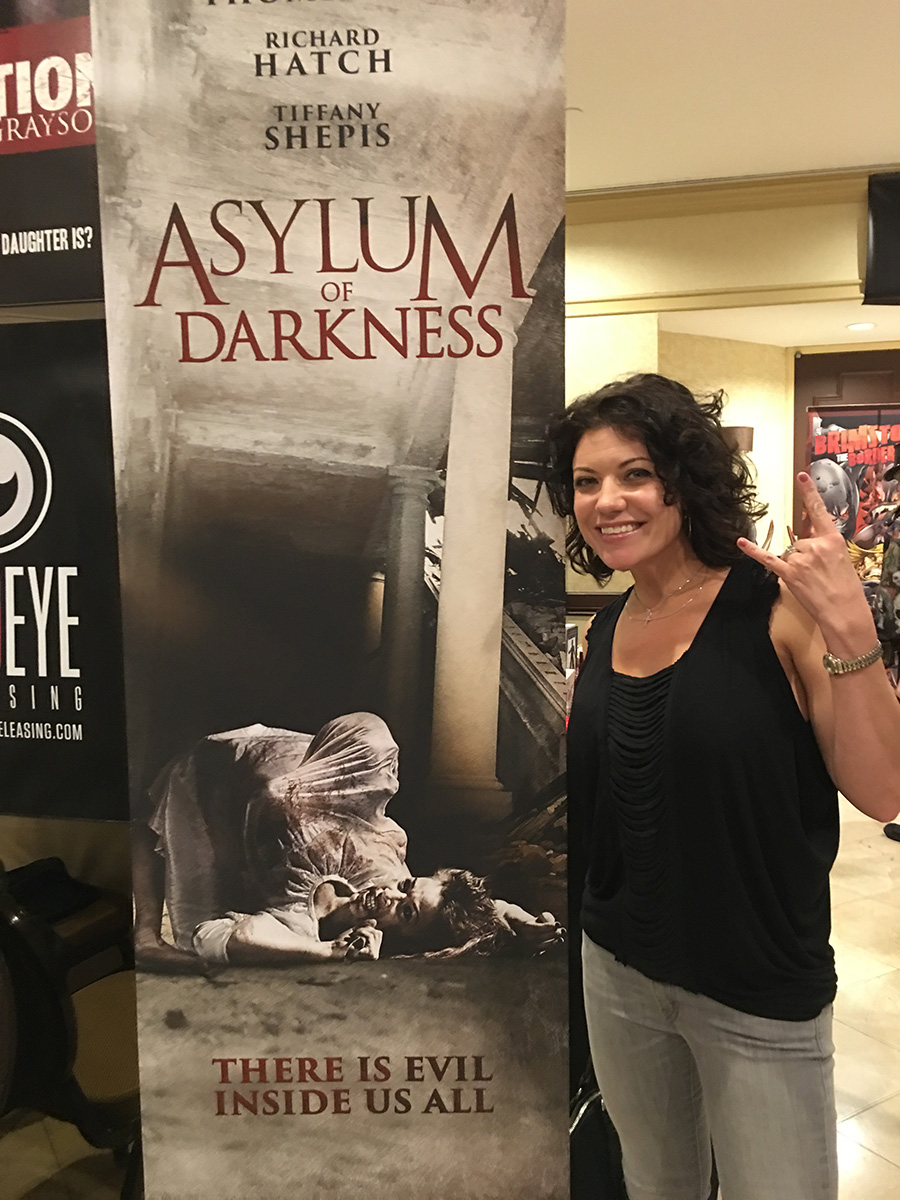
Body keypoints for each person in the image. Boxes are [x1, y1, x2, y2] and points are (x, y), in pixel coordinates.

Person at [547, 374, 900, 1200]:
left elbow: (885, 792)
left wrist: (850, 623)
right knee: (656, 1186)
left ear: (685, 479)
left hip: (756, 985)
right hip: (618, 971)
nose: (607, 500)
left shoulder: (776, 611)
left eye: (635, 473)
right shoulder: (609, 627)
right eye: (587, 482)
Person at [133, 712, 561, 971]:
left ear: (402, 942)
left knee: (193, 936)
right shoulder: (381, 862)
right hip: (282, 761)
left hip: (211, 789)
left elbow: (219, 936)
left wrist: (326, 953)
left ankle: (145, 938)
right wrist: (515, 916)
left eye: (405, 912)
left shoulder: (300, 926)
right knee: (373, 747)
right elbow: (465, 904)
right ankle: (289, 793)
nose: (389, 895)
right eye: (406, 886)